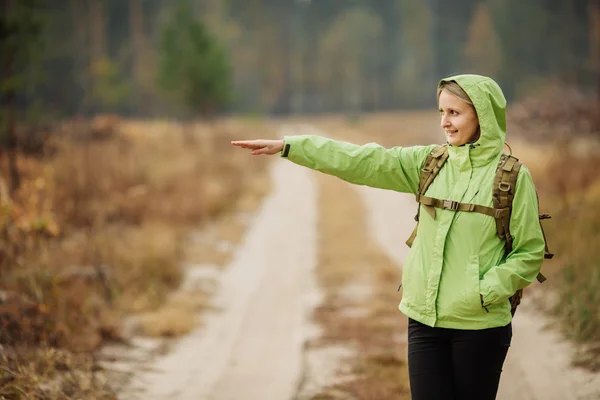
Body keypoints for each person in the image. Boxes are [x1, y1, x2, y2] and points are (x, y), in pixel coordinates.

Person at [231, 74, 545, 400]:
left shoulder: (511, 177)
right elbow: (364, 161)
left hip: (480, 327)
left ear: (481, 115)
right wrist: (291, 147)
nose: (445, 123)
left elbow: (529, 252)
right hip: (424, 320)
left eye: (454, 113)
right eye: (441, 112)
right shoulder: (429, 163)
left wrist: (485, 290)